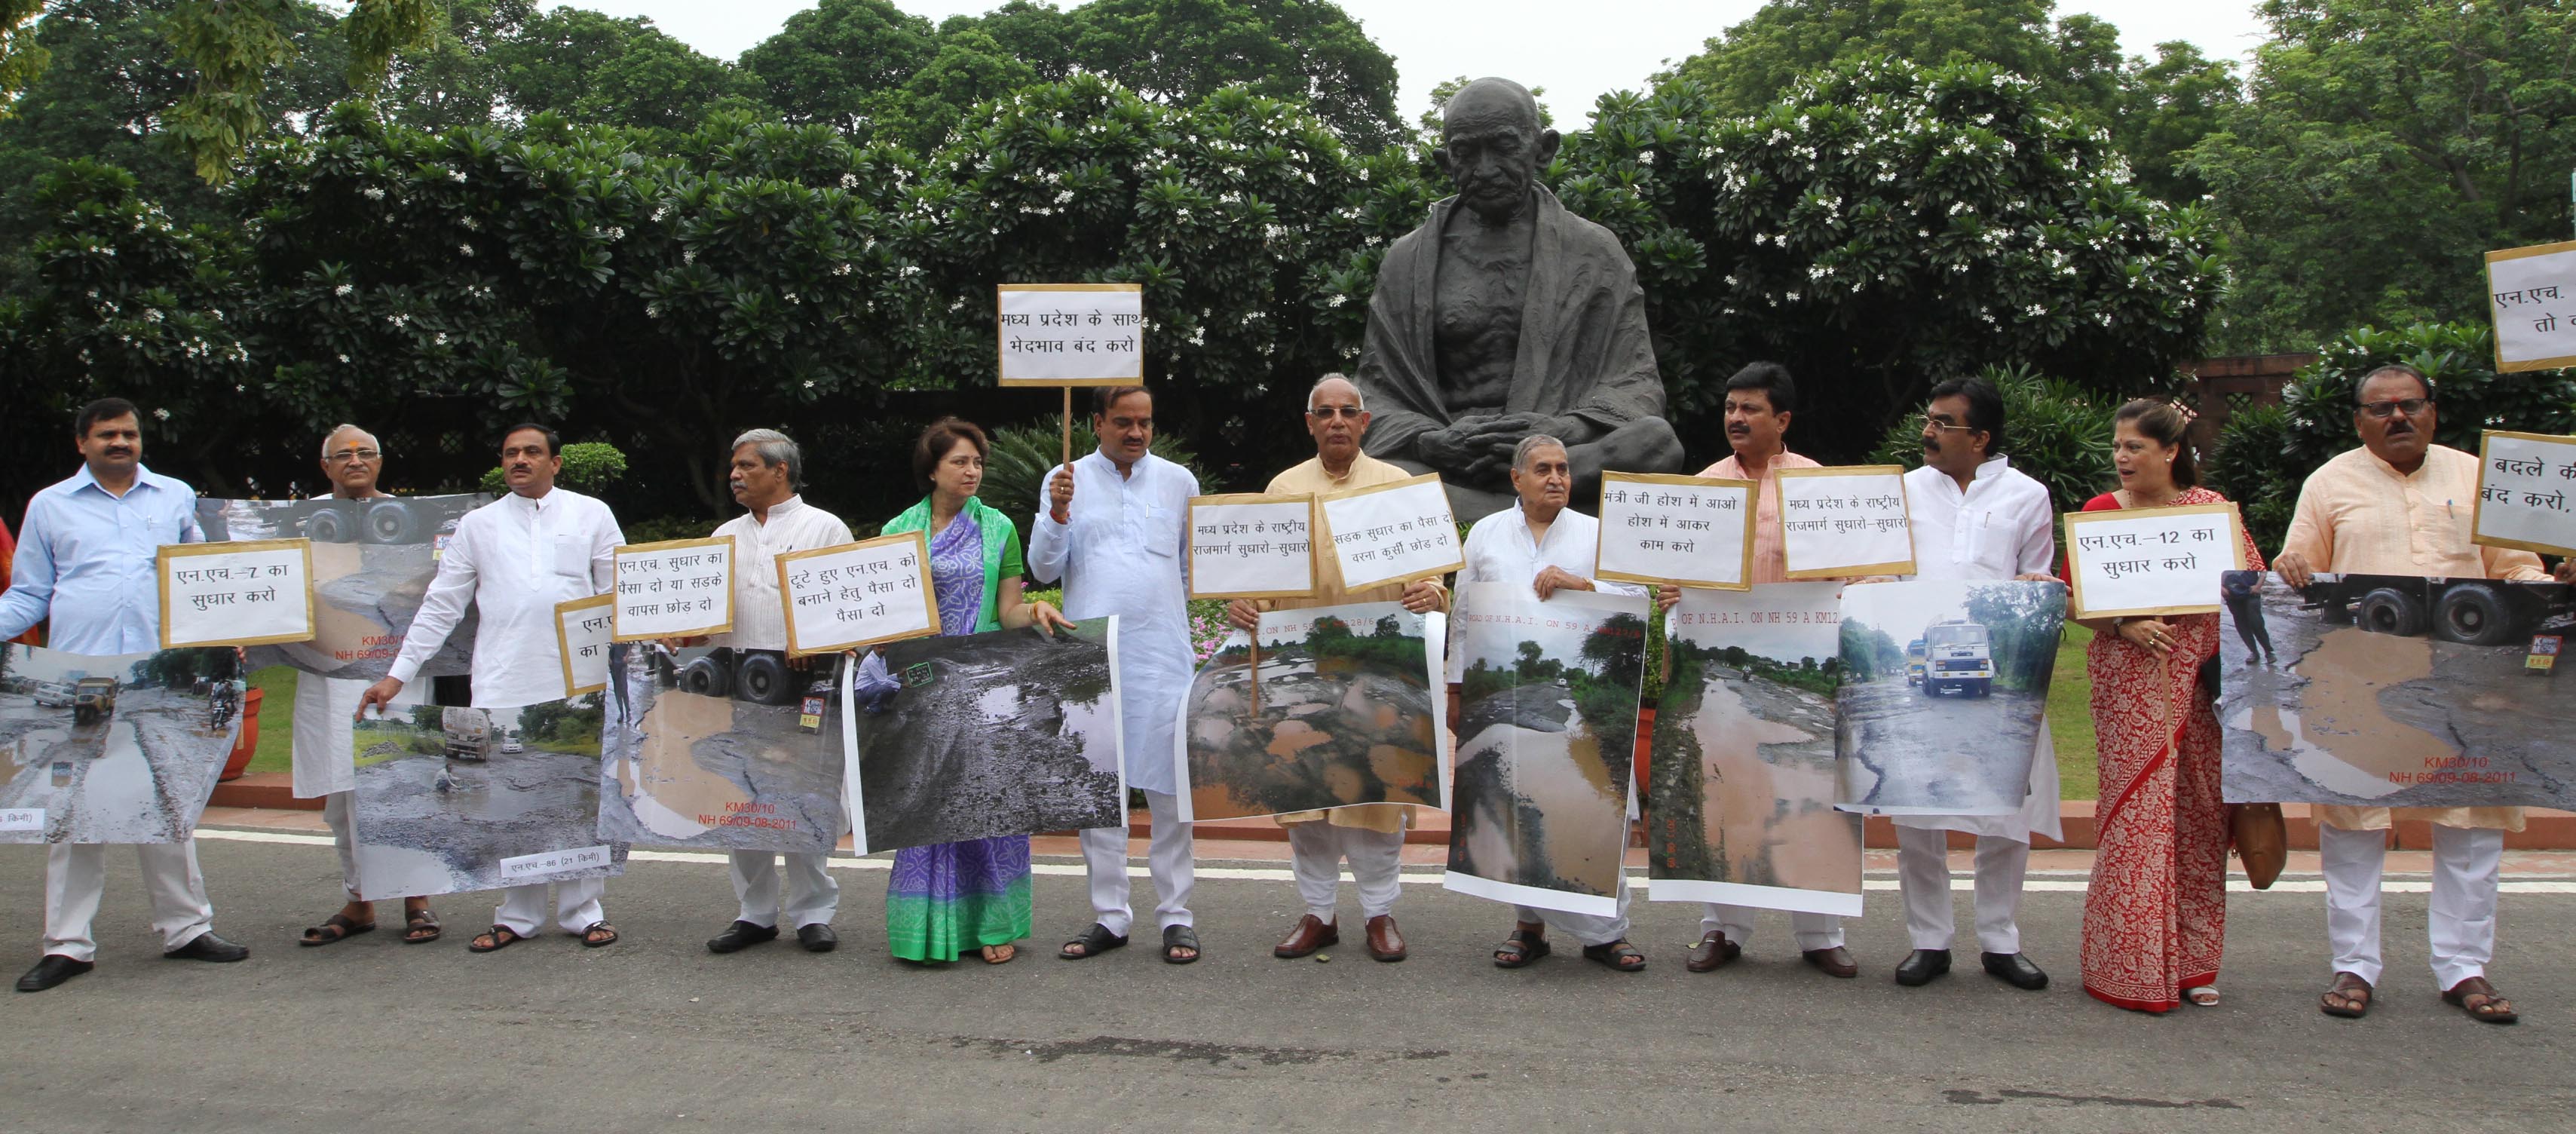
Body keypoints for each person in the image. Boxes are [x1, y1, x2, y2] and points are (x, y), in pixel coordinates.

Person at [2272, 363, 2567, 1025]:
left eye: (2410, 405)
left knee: (2471, 827)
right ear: (2358, 422)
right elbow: (2299, 571)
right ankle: (2354, 965)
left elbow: (2515, 570)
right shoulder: (2329, 483)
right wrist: (2289, 568)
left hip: (2468, 687)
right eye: (2380, 409)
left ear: (2433, 412)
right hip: (2359, 685)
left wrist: (2547, 581)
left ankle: (2464, 968)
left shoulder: (2476, 477)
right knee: (2353, 823)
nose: (2396, 417)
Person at [2, 398, 249, 992]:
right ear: (81, 442)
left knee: (168, 797)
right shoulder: (50, 505)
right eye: (107, 434)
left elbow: (201, 581)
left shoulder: (175, 497)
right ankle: (67, 945)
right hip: (78, 679)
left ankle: (187, 929)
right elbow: (31, 592)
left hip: (162, 677)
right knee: (72, 811)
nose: (121, 442)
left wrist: (229, 631)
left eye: (130, 434)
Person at [1352, 77, 1683, 520]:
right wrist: (1430, 441)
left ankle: (1473, 511)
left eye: (1504, 147)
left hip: (1560, 456)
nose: (1485, 169)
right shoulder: (1405, 260)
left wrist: (1564, 429)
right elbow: (1375, 393)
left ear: (1543, 149)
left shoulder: (1593, 250)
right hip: (1454, 457)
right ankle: (1526, 508)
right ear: (1444, 161)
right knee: (1369, 470)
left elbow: (1635, 383)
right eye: (1466, 152)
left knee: (1654, 443)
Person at [357, 424, 625, 954]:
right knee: (507, 796)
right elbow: (442, 604)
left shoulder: (591, 513)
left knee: (578, 794)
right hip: (503, 676)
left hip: (580, 674)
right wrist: (398, 674)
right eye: (510, 454)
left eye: (531, 452)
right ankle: (516, 917)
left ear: (556, 463)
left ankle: (582, 913)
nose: (519, 460)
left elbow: (618, 590)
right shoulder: (478, 525)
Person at [1225, 375, 1449, 964]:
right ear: (1309, 422)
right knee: (1307, 793)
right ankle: (1318, 914)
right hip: (1301, 667)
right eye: (1324, 412)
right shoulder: (1283, 488)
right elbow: (1258, 577)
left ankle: (1379, 914)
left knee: (1376, 794)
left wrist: (1431, 592)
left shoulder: (1397, 487)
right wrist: (1246, 602)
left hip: (1380, 668)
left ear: (1365, 421)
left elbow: (1430, 573)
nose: (1336, 421)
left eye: (1348, 411)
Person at [1652, 362, 1858, 979]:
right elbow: (1674, 573)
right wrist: (1672, 596)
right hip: (1721, 672)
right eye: (1729, 407)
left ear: (1783, 420)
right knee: (1725, 788)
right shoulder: (1703, 487)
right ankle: (1723, 927)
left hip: (1803, 669)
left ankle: (1819, 933)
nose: (1736, 419)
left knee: (1808, 790)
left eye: (1750, 409)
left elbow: (1850, 568)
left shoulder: (1817, 486)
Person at [2068, 400, 2265, 1012]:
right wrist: (2124, 621)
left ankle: (2193, 964)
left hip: (2204, 689)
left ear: (2170, 452)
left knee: (2198, 821)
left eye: (2135, 448)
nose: (2121, 459)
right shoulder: (2102, 514)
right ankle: (2124, 968)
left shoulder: (2208, 513)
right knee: (2137, 821)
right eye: (2117, 447)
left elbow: (2251, 588)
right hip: (2128, 688)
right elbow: (2074, 598)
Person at [1883, 377, 2062, 991]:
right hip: (1917, 668)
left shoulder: (2026, 496)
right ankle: (1928, 940)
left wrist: (2041, 593)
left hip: (1994, 670)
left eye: (1942, 423)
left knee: (2004, 813)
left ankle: (1999, 940)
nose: (1927, 432)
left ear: (1979, 438)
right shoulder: (1898, 491)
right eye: (1927, 419)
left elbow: (2036, 575)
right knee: (1917, 816)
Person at [878, 418, 1072, 965]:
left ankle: (993, 925)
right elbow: (886, 612)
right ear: (932, 469)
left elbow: (1007, 608)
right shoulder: (900, 529)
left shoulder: (998, 528)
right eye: (960, 461)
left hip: (986, 685)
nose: (972, 471)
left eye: (977, 462)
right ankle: (927, 929)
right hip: (923, 685)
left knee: (987, 807)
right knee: (928, 804)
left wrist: (1034, 611)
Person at [1454, 434, 1648, 971]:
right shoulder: (1487, 536)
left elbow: (1639, 597)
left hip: (1587, 691)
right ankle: (1528, 928)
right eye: (1543, 469)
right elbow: (1464, 615)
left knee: (1595, 800)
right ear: (1517, 479)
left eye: (1563, 468)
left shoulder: (1595, 534)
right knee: (1522, 800)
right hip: (1508, 689)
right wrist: (1456, 689)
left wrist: (1582, 584)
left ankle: (1607, 934)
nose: (1557, 478)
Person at [1034, 386, 1205, 964]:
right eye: (1123, 423)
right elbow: (1042, 568)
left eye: (1145, 424)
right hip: (1091, 659)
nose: (1135, 433)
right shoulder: (1067, 480)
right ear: (1097, 423)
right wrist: (1056, 513)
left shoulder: (1178, 482)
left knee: (1169, 793)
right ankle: (1110, 916)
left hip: (1162, 658)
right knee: (1098, 793)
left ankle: (1176, 917)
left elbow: (1195, 569)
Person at [691, 430, 855, 957]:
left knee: (803, 794)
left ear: (780, 471)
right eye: (733, 468)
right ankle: (755, 913)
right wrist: (678, 630)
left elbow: (850, 605)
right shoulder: (724, 535)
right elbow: (707, 622)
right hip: (738, 682)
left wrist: (815, 640)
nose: (735, 476)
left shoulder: (825, 528)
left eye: (747, 466)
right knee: (743, 798)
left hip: (806, 685)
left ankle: (813, 913)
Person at [292, 424, 440, 948]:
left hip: (396, 674)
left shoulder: (413, 522)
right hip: (327, 676)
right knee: (343, 796)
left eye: (365, 453)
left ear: (380, 462)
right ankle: (359, 901)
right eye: (343, 455)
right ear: (325, 465)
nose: (355, 461)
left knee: (404, 784)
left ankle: (417, 900)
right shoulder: (300, 523)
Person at [2219, 569, 2274, 664]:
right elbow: (2209, 573)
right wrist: (2221, 588)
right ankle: (2254, 652)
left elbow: (2262, 569)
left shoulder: (2248, 554)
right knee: (2241, 624)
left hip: (2251, 591)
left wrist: (2258, 586)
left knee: (2256, 622)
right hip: (2230, 594)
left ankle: (2268, 651)